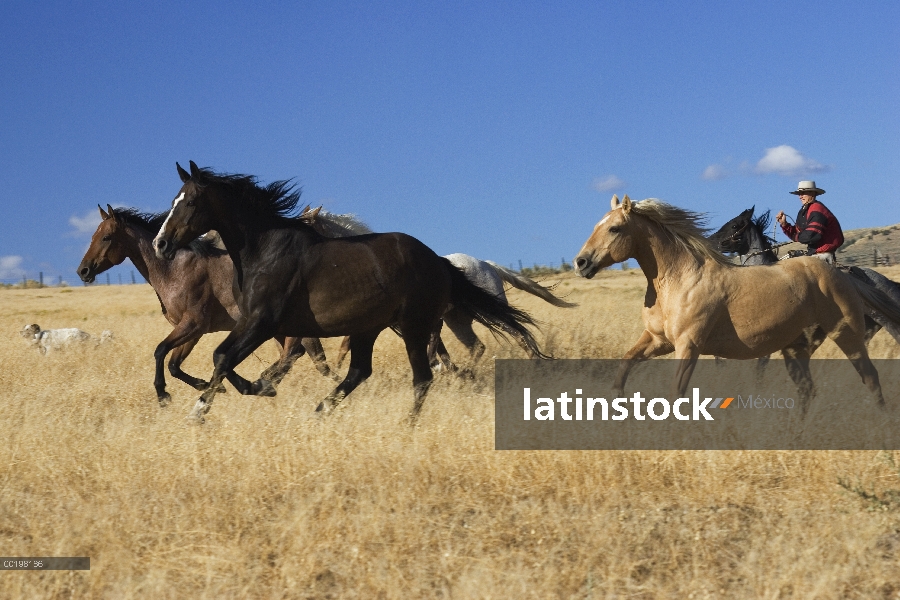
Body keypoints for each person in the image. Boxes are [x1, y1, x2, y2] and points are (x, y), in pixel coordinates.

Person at [775, 180, 844, 264]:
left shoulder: (817, 209)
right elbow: (799, 233)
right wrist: (784, 224)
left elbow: (810, 235)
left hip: (824, 255)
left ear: (812, 193)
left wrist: (796, 237)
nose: (800, 197)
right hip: (814, 254)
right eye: (799, 194)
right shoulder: (806, 210)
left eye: (803, 193)